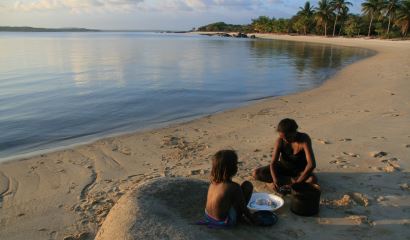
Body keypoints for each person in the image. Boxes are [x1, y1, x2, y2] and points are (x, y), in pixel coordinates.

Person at [252, 118, 317, 192]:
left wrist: (296, 184)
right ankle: (280, 183)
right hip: (283, 167)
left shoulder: (304, 139)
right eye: (283, 137)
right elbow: (273, 163)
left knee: (312, 180)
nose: (285, 140)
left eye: (288, 137)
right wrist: (275, 180)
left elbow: (311, 165)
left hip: (299, 171)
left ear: (295, 132)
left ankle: (291, 183)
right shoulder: (280, 141)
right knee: (256, 173)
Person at [203, 150, 254, 227]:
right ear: (232, 169)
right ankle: (238, 218)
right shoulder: (234, 187)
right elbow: (244, 209)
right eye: (236, 164)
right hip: (223, 222)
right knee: (247, 186)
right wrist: (254, 219)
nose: (237, 166)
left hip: (208, 217)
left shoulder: (212, 183)